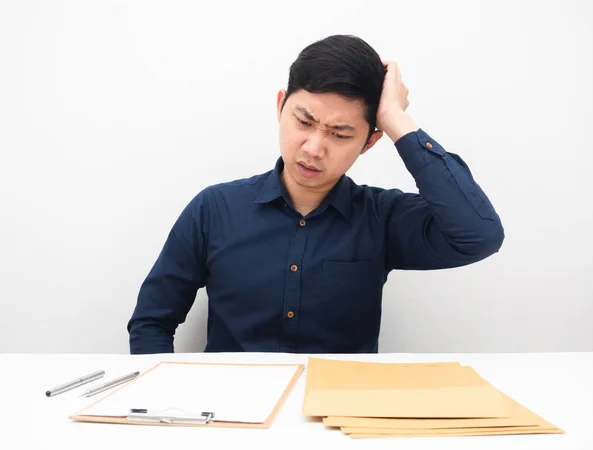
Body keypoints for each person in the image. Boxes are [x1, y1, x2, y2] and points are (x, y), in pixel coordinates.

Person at [127, 34, 504, 354]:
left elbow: (479, 236)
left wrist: (396, 121)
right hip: (234, 417)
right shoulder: (214, 209)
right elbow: (152, 322)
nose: (313, 148)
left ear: (369, 142)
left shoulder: (382, 218)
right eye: (303, 122)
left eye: (340, 135)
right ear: (280, 106)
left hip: (339, 423)